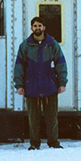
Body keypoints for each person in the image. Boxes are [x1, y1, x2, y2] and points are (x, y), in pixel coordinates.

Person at [14, 16, 68, 150]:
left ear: (44, 28)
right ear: (31, 28)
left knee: (52, 118)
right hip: (31, 87)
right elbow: (19, 67)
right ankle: (34, 143)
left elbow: (61, 64)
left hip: (50, 86)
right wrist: (19, 85)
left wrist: (62, 83)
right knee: (33, 118)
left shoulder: (52, 44)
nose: (37, 28)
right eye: (35, 26)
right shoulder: (25, 46)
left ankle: (53, 142)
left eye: (40, 26)